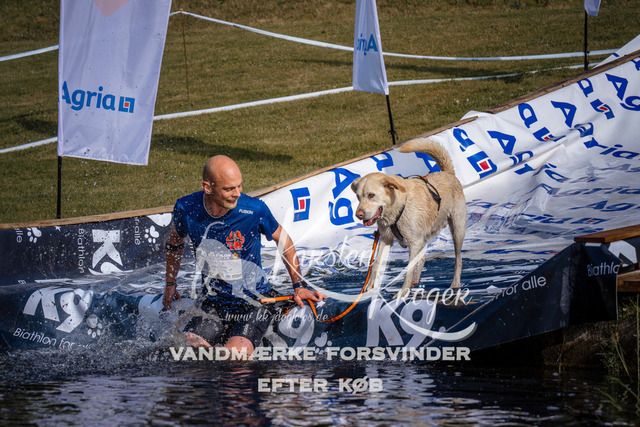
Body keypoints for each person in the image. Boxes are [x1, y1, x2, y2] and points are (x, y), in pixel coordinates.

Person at [162, 155, 326, 355]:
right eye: (229, 189)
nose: (237, 194)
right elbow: (175, 243)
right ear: (207, 187)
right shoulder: (186, 208)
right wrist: (170, 284)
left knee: (234, 358)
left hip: (254, 303)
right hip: (213, 304)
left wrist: (298, 286)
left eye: (239, 186)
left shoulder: (253, 209)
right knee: (183, 350)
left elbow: (284, 240)